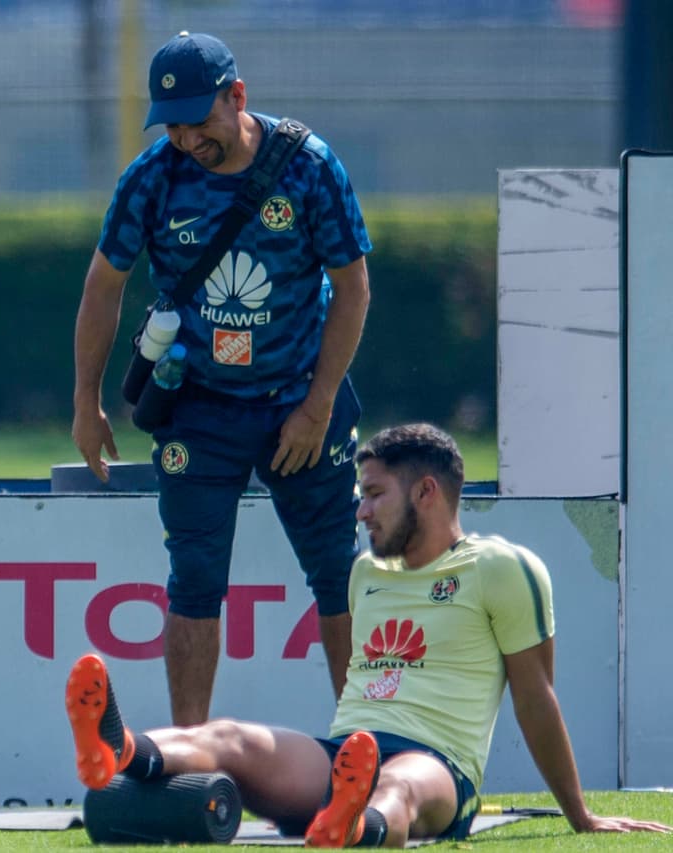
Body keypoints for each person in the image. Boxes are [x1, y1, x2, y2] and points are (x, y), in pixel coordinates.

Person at [65, 423, 670, 846]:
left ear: (426, 493)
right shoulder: (365, 573)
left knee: (399, 784)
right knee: (228, 736)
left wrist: (580, 814)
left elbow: (536, 697)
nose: (361, 511)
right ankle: (121, 751)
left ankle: (357, 828)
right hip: (344, 756)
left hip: (439, 765)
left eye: (375, 495)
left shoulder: (503, 568)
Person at [71, 31, 372, 724]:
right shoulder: (153, 177)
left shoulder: (310, 167)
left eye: (198, 121)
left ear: (238, 97)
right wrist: (87, 405)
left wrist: (319, 402)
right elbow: (102, 288)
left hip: (300, 399)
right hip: (198, 405)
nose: (186, 139)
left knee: (339, 576)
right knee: (194, 581)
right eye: (172, 125)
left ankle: (368, 743)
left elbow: (352, 287)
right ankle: (189, 753)